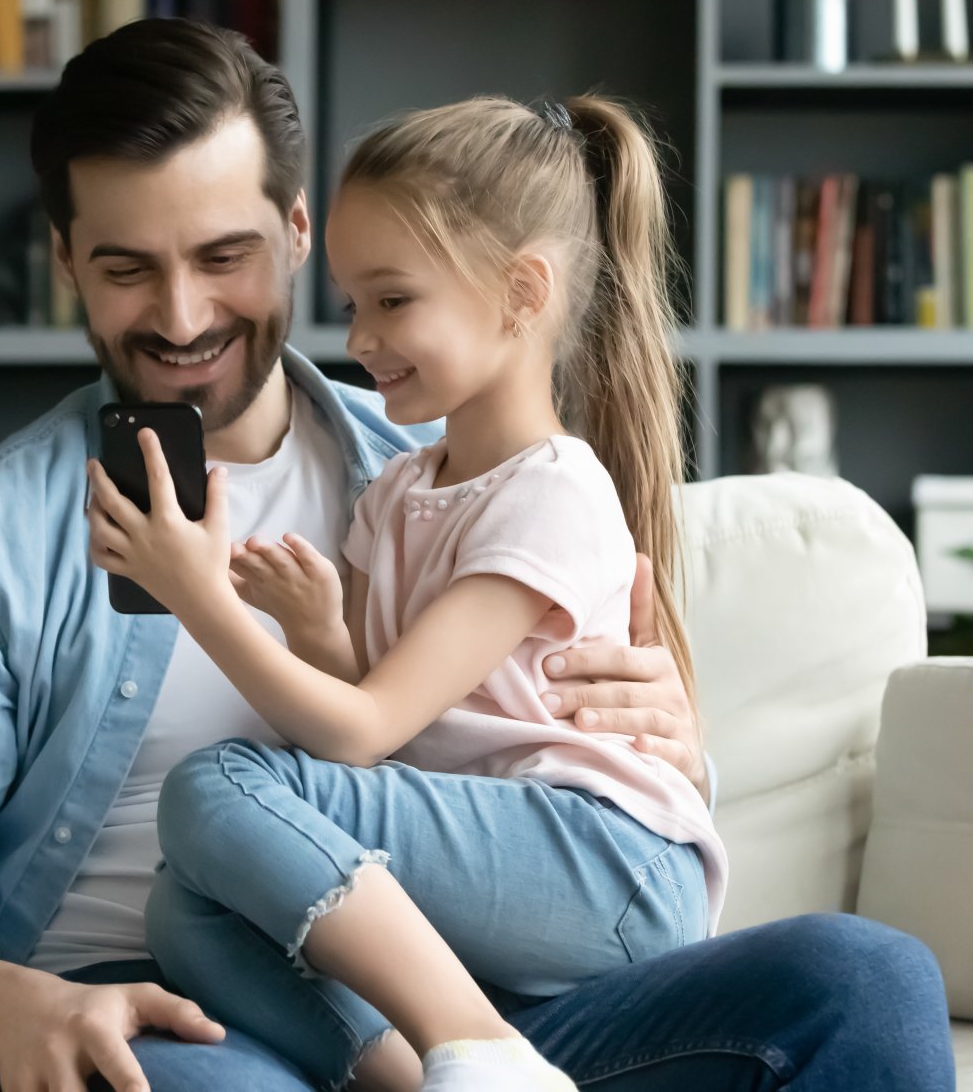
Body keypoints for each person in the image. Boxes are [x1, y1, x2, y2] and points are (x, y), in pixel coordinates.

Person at [0, 17, 953, 1092]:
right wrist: (11, 1012)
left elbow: (556, 809)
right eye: (127, 268)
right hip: (184, 1012)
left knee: (864, 982)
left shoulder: (444, 470)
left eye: (224, 255)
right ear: (66, 261)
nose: (185, 315)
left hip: (488, 994)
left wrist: (666, 734)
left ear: (302, 233)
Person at [82, 90, 729, 1092]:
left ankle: (484, 1049)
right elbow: (398, 717)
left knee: (213, 788)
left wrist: (197, 593)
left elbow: (363, 733)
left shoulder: (553, 492)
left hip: (605, 865)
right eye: (351, 303)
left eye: (394, 299)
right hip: (491, 855)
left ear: (522, 292)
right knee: (185, 905)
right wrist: (321, 634)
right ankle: (408, 1077)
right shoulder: (396, 493)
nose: (360, 337)